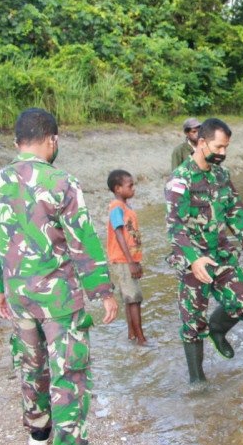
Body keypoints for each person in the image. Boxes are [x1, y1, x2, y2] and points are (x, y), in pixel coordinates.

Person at [0, 108, 119, 445]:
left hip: (18, 298)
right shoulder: (61, 181)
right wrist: (103, 291)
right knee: (69, 373)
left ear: (17, 142)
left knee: (31, 367)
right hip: (59, 299)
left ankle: (38, 435)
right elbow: (83, 241)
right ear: (52, 140)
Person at [164, 117, 243, 384]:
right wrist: (194, 260)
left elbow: (234, 209)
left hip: (221, 253)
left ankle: (217, 331)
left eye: (226, 147)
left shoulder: (221, 175)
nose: (223, 153)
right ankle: (197, 380)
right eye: (218, 147)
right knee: (193, 324)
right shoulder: (180, 179)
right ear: (202, 142)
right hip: (192, 260)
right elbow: (175, 228)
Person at [107, 169, 148, 346]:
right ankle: (141, 339)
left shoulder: (125, 207)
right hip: (124, 260)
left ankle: (132, 334)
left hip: (129, 260)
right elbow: (118, 233)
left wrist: (136, 261)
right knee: (134, 300)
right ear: (118, 188)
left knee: (130, 298)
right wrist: (131, 262)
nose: (133, 189)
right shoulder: (116, 207)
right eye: (130, 186)